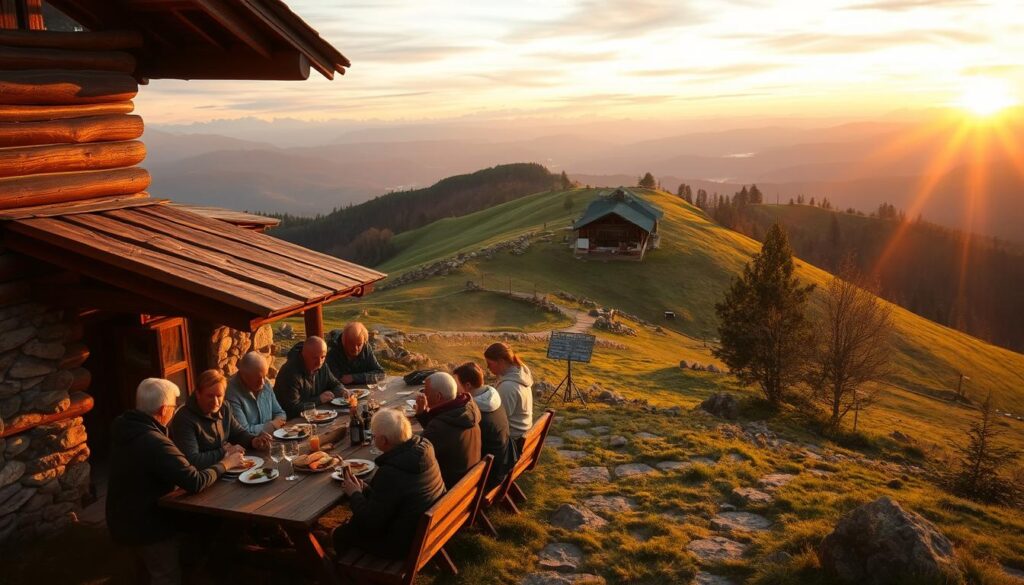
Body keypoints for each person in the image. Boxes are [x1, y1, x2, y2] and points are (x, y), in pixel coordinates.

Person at [107, 378, 244, 585]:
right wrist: (227, 462)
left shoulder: (125, 428)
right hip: (148, 525)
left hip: (120, 519)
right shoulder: (155, 441)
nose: (174, 411)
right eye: (173, 406)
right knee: (166, 576)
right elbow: (195, 481)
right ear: (163, 410)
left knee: (138, 575)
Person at [334, 408, 445, 559]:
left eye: (374, 436)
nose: (373, 439)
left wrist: (355, 495)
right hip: (428, 529)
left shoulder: (391, 472)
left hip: (402, 545)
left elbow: (370, 523)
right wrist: (365, 489)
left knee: (341, 534)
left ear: (384, 440)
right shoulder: (424, 447)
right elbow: (393, 497)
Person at [170, 369, 271, 470]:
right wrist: (224, 452)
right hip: (203, 477)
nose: (215, 401)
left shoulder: (224, 407)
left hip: (224, 469)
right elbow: (192, 461)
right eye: (210, 396)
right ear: (198, 394)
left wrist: (253, 441)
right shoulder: (184, 419)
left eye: (219, 396)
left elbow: (237, 433)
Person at [453, 362, 515, 489]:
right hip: (503, 463)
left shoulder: (473, 413)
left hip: (489, 477)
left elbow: (453, 441)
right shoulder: (491, 397)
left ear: (468, 386)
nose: (454, 388)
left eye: (456, 384)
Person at [414, 372, 481, 489]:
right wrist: (422, 415)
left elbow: (417, 457)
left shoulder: (440, 426)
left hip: (449, 487)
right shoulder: (465, 409)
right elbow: (439, 435)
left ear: (438, 397)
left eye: (426, 391)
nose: (423, 394)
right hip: (468, 482)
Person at [274, 335, 347, 419]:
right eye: (315, 358)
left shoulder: (322, 366)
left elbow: (334, 383)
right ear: (304, 354)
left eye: (323, 357)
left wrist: (342, 390)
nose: (319, 362)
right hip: (294, 422)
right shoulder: (290, 373)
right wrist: (319, 400)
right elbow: (292, 409)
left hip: (319, 415)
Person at [226, 352, 287, 436]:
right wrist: (273, 425)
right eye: (258, 378)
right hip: (248, 446)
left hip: (271, 440)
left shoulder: (265, 382)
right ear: (243, 375)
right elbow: (243, 432)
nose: (262, 382)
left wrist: (277, 422)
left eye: (264, 375)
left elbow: (280, 413)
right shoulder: (231, 393)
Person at [484, 342, 534, 443]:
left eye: (490, 364)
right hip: (522, 436)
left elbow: (497, 420)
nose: (487, 367)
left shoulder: (508, 386)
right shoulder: (519, 374)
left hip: (512, 441)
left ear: (501, 361)